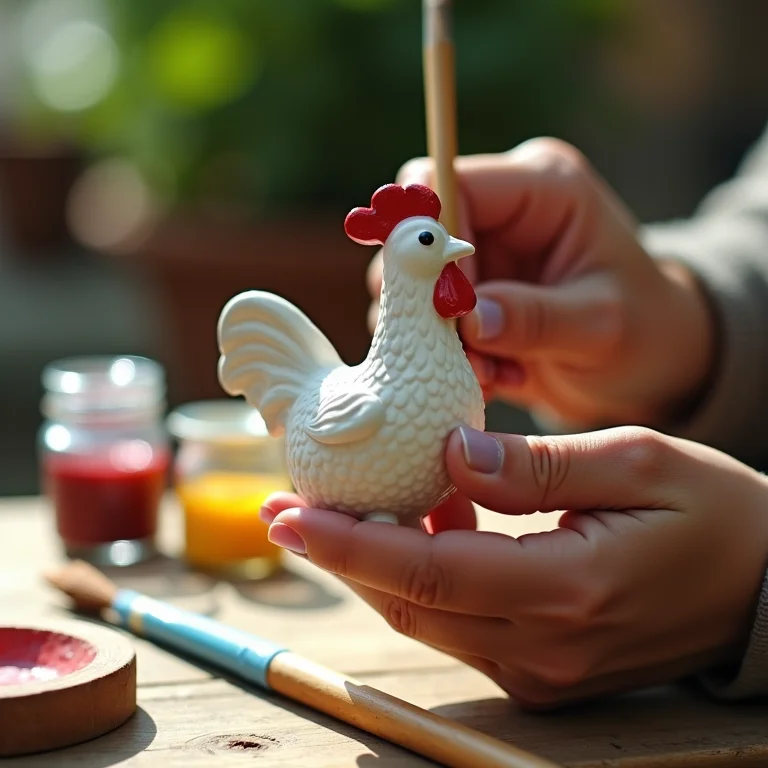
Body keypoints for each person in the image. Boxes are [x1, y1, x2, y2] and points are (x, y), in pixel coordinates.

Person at [260, 131, 768, 708]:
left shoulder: (439, 374)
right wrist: (697, 324)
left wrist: (758, 578)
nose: (451, 245)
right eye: (431, 241)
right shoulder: (371, 397)